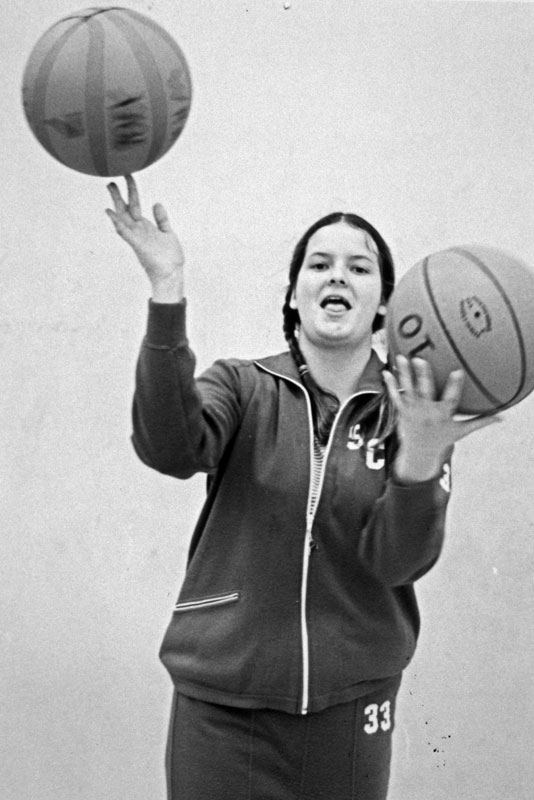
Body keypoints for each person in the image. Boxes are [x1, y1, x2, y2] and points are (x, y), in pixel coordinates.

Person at [106, 175, 497, 800]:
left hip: (351, 712)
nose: (337, 276)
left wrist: (422, 460)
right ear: (293, 296)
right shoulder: (242, 386)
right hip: (224, 708)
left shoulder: (412, 416)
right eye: (319, 263)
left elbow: (397, 562)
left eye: (359, 268)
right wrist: (166, 291)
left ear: (386, 307)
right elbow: (168, 448)